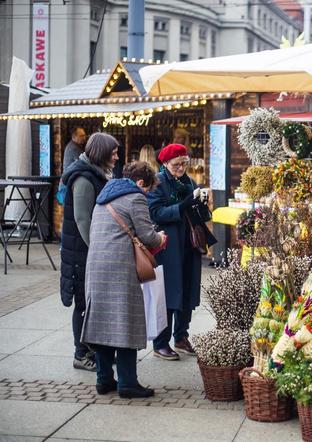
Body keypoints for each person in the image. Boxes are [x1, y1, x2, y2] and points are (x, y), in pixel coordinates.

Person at [81, 162, 166, 398]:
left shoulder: (104, 196)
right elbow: (148, 236)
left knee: (104, 320)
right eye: (147, 190)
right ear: (140, 183)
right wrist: (159, 238)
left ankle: (104, 379)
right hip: (119, 266)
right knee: (127, 319)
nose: (146, 195)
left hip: (96, 265)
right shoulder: (135, 198)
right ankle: (128, 383)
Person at [147, 143, 213, 360]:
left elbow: (200, 214)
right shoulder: (157, 183)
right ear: (165, 163)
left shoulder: (189, 181)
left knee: (187, 291)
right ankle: (161, 342)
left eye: (185, 163)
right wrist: (183, 205)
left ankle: (181, 336)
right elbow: (155, 213)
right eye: (177, 164)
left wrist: (202, 204)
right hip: (167, 246)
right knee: (168, 293)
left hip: (189, 244)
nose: (181, 167)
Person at [60, 132, 119, 371]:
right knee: (83, 303)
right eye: (113, 152)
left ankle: (93, 350)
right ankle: (80, 353)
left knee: (92, 302)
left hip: (90, 250)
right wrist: (98, 251)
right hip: (82, 253)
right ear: (101, 153)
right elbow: (83, 220)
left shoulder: (98, 173)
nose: (116, 156)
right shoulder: (84, 178)